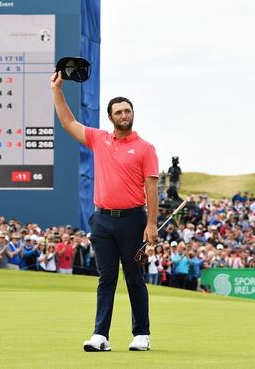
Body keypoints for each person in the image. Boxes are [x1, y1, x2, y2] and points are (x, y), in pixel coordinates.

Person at [52, 71, 159, 352]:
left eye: (128, 110)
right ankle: (100, 335)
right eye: (119, 112)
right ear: (110, 118)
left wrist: (151, 224)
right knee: (106, 279)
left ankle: (141, 334)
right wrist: (57, 91)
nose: (124, 114)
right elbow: (67, 122)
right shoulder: (99, 139)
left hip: (133, 220)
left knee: (135, 278)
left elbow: (151, 188)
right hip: (102, 220)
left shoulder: (145, 148)